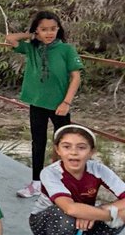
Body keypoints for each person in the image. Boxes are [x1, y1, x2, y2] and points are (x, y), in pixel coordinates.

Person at [5, 11, 84, 198]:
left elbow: (76, 77)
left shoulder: (66, 49)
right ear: (37, 31)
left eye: (53, 29)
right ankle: (36, 183)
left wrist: (66, 102)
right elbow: (10, 38)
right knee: (38, 142)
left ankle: (64, 183)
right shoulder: (32, 48)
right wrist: (31, 35)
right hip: (37, 102)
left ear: (59, 29)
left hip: (59, 105)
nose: (49, 33)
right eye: (44, 29)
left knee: (65, 143)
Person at [30, 124, 125, 235]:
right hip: (49, 223)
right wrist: (111, 215)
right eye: (67, 147)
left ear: (91, 152)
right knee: (64, 214)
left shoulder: (98, 169)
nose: (74, 152)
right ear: (58, 150)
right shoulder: (50, 173)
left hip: (85, 223)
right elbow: (70, 208)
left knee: (122, 211)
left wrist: (99, 211)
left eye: (81, 148)